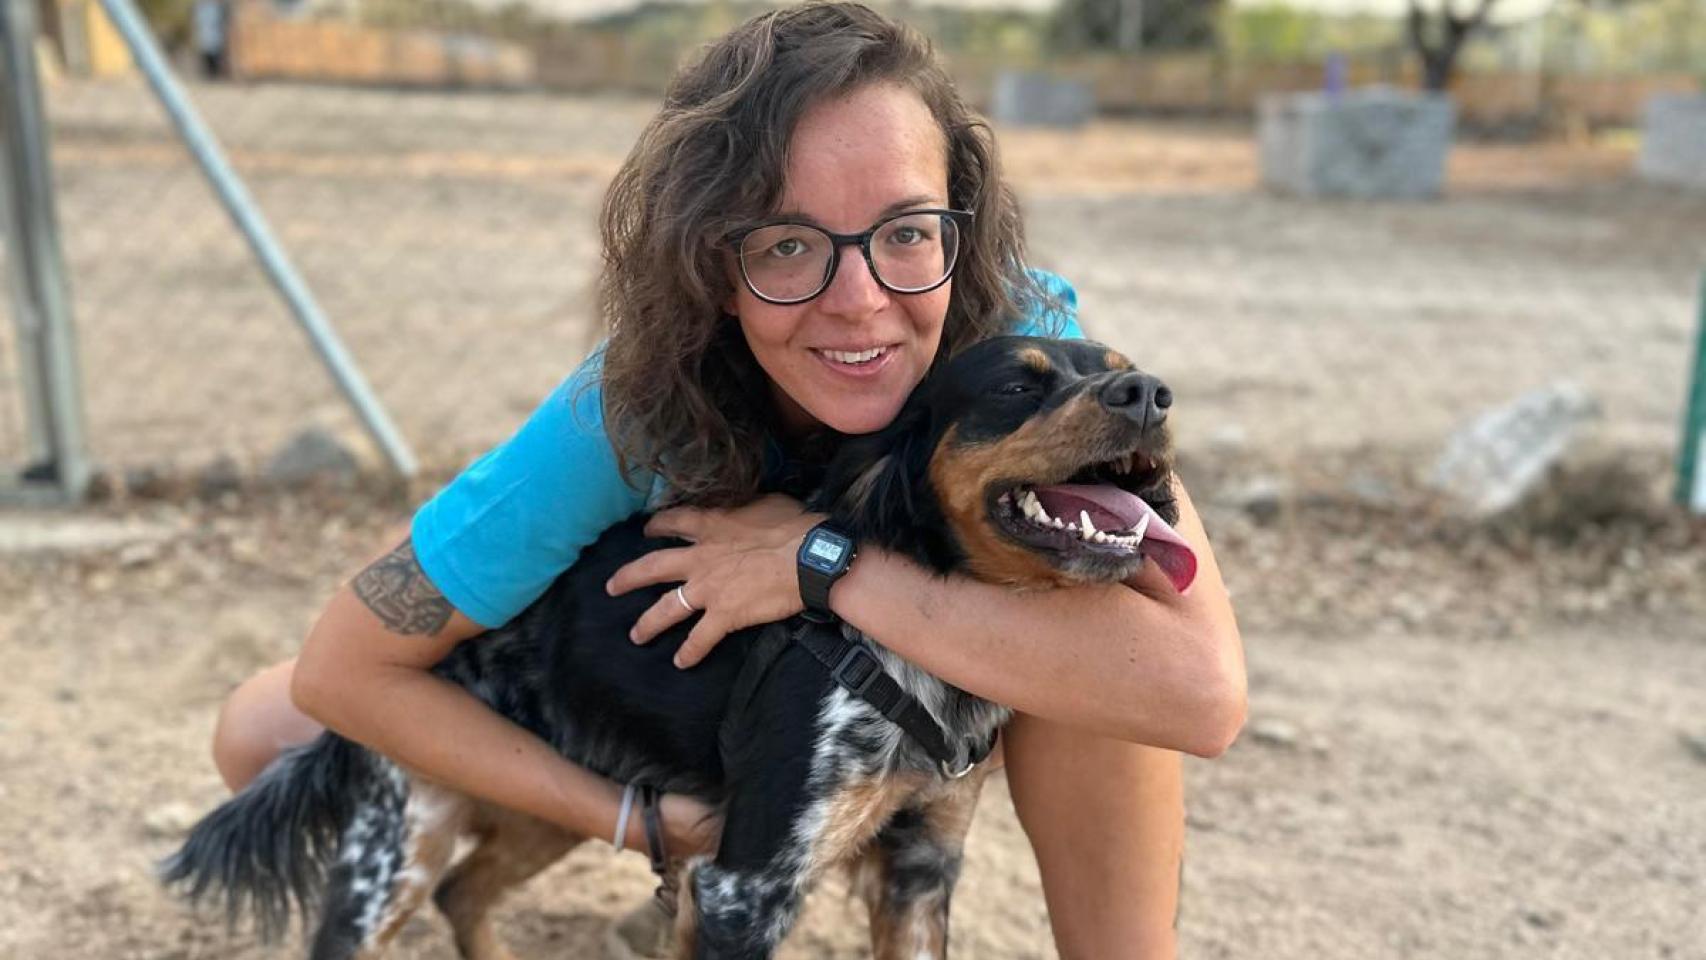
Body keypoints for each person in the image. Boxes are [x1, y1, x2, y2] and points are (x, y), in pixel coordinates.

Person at [210, 4, 1245, 958]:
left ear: (955, 229)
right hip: (667, 703)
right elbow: (343, 673)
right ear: (710, 263)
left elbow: (1195, 694)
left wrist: (820, 565)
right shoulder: (620, 417)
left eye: (904, 231)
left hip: (889, 657)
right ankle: (700, 860)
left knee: (1098, 633)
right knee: (266, 737)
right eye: (788, 244)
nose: (860, 300)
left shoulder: (1034, 357)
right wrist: (634, 820)